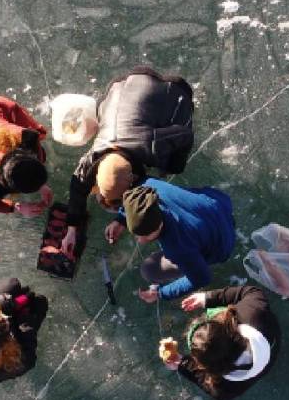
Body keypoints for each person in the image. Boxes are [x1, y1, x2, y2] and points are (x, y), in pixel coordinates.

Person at [59, 66, 195, 258]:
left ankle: (171, 91)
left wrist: (173, 165)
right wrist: (72, 229)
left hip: (170, 85)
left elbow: (186, 135)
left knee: (175, 167)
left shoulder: (152, 146)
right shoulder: (94, 156)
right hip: (116, 85)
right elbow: (77, 188)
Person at [106, 179, 235, 302]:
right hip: (218, 203)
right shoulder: (149, 186)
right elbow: (134, 199)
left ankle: (201, 257)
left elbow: (202, 278)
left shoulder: (178, 247)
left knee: (149, 269)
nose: (139, 240)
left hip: (223, 244)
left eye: (143, 235)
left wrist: (161, 293)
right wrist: (121, 219)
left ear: (157, 227)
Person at [160, 285, 281, 400]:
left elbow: (206, 381)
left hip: (265, 362)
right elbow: (251, 291)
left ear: (205, 367)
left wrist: (181, 363)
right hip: (271, 340)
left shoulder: (224, 389)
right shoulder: (253, 312)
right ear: (225, 325)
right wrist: (208, 298)